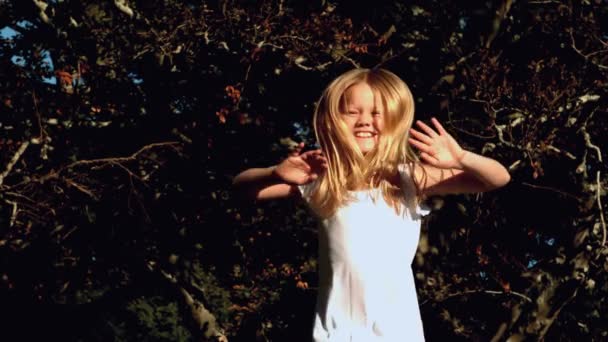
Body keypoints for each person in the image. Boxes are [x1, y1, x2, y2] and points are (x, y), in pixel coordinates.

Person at [233, 68, 510, 341]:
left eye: (376, 113)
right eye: (353, 112)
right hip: (335, 334)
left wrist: (462, 158)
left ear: (394, 120)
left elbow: (496, 178)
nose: (365, 121)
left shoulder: (407, 178)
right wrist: (273, 173)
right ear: (333, 120)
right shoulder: (322, 180)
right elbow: (242, 188)